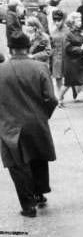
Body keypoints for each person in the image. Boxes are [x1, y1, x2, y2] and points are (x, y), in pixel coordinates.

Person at [0, 32, 58, 217]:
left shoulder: (1, 70)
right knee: (37, 155)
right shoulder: (40, 67)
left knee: (17, 165)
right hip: (36, 121)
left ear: (10, 49)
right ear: (28, 47)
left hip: (9, 125)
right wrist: (43, 115)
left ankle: (28, 206)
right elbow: (51, 99)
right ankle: (40, 194)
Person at [60, 12, 83, 105]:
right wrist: (80, 48)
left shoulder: (82, 32)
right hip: (72, 62)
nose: (80, 22)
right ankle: (59, 99)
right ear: (72, 22)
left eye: (80, 20)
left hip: (81, 60)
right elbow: (67, 48)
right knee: (68, 84)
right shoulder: (68, 34)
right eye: (78, 20)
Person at [48, 10, 69, 93]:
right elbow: (51, 47)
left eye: (59, 20)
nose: (57, 23)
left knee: (70, 78)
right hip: (56, 58)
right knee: (58, 78)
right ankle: (59, 97)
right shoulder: (53, 32)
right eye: (55, 21)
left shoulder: (68, 31)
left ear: (63, 20)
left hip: (67, 57)